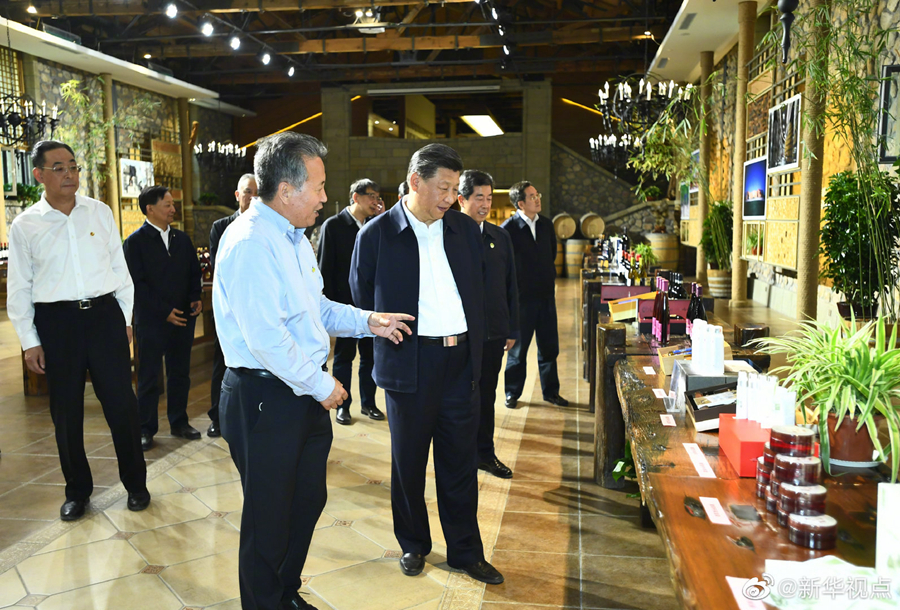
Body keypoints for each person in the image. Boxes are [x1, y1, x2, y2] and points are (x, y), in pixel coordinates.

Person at [214, 132, 413, 610]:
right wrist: (322, 384)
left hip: (298, 387)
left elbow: (315, 308)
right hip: (265, 395)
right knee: (269, 516)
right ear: (286, 190)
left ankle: (285, 592)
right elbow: (266, 339)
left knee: (305, 503)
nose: (326, 197)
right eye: (319, 187)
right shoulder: (250, 242)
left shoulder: (295, 238)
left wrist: (368, 321)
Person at [350, 144, 504, 585]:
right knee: (409, 462)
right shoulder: (377, 234)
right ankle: (414, 543)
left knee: (460, 463)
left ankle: (466, 551)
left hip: (460, 363)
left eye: (456, 189)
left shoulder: (463, 229)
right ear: (416, 181)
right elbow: (362, 296)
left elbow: (479, 290)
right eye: (444, 188)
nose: (451, 198)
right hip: (409, 362)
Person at [7, 140, 150, 521]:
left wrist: (125, 319)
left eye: (73, 166)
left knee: (122, 405)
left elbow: (120, 271)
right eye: (59, 168)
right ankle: (77, 492)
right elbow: (19, 287)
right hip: (57, 324)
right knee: (66, 413)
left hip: (104, 318)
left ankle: (136, 485)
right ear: (39, 175)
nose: (69, 174)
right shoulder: (26, 225)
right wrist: (29, 341)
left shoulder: (99, 212)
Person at [123, 185, 203, 451]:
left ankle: (179, 422)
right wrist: (164, 312)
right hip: (152, 322)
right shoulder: (135, 243)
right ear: (150, 209)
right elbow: (137, 285)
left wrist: (195, 297)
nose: (173, 209)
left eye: (172, 204)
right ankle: (145, 429)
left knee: (180, 374)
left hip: (182, 319)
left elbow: (193, 272)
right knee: (148, 377)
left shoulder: (182, 239)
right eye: (167, 204)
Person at [457, 170, 518, 479]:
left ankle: (485, 453)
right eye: (478, 197)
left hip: (493, 334)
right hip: (460, 335)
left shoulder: (500, 236)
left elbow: (510, 286)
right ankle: (459, 457)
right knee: (460, 398)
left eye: (489, 198)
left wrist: (511, 329)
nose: (485, 204)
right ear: (461, 199)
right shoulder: (447, 236)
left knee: (486, 395)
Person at [317, 178, 384, 425]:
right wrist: (329, 305)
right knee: (344, 358)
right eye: (371, 196)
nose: (375, 201)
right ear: (355, 197)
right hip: (342, 307)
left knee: (369, 358)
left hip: (369, 306)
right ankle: (342, 407)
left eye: (377, 196)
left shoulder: (375, 226)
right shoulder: (333, 226)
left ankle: (369, 403)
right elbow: (325, 268)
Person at [501, 181, 568, 409]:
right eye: (532, 196)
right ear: (520, 203)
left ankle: (551, 392)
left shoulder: (546, 225)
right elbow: (505, 267)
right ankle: (512, 392)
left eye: (537, 194)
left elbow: (551, 255)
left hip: (546, 297)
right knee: (518, 352)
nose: (537, 198)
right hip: (522, 301)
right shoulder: (508, 229)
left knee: (549, 348)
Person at [207, 173, 258, 437]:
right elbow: (220, 267)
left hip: (257, 308)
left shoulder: (266, 227)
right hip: (230, 309)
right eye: (248, 192)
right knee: (222, 363)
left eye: (257, 192)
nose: (252, 197)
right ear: (238, 195)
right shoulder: (221, 227)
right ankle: (217, 417)